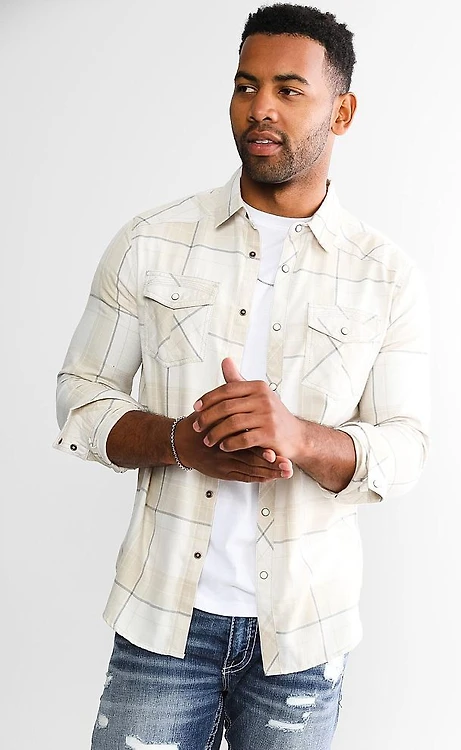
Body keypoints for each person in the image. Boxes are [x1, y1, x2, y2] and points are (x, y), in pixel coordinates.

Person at [54, 3, 431, 748]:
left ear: (342, 112)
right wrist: (180, 442)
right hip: (162, 624)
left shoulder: (387, 276)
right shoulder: (150, 243)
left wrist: (301, 437)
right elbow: (79, 398)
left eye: (289, 89)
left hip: (304, 635)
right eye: (246, 85)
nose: (260, 107)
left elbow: (407, 447)